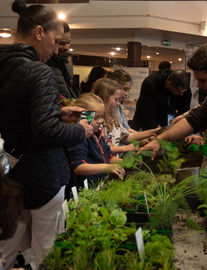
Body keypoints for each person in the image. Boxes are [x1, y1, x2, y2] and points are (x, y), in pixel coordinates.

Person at [0, 1, 93, 269]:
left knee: (6, 246)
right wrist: (80, 129)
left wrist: (58, 114)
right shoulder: (38, 71)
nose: (55, 51)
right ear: (39, 32)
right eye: (55, 41)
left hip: (8, 177)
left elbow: (18, 116)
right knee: (46, 252)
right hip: (41, 177)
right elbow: (46, 130)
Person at [67, 93, 125, 189]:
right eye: (95, 117)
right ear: (80, 116)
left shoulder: (97, 133)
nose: (101, 121)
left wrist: (125, 162)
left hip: (98, 185)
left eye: (102, 116)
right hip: (84, 190)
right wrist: (108, 167)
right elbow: (79, 167)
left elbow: (108, 156)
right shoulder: (79, 138)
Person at [92, 78, 160, 154]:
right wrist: (125, 148)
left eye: (119, 100)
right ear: (104, 98)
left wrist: (152, 132)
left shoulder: (113, 119)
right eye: (116, 100)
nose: (118, 103)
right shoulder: (97, 123)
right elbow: (102, 149)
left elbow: (126, 136)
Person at [47, 21, 79, 100]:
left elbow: (70, 87)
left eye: (68, 42)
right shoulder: (43, 61)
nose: (67, 47)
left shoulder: (67, 61)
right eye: (62, 43)